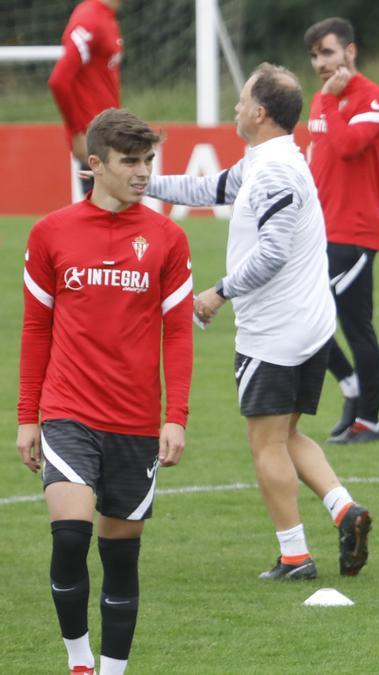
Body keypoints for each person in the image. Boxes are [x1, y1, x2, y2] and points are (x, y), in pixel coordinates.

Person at [147, 63, 372, 580]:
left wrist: (217, 293)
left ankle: (295, 556)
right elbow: (208, 191)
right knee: (287, 433)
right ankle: (344, 510)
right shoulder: (271, 160)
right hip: (308, 325)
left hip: (276, 332)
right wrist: (139, 183)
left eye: (242, 99)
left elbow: (271, 254)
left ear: (261, 112)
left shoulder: (273, 171)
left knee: (265, 442)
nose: (235, 107)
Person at [18, 108, 192, 675]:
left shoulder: (168, 238)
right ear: (95, 165)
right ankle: (79, 662)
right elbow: (36, 328)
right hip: (68, 412)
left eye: (148, 161)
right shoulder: (51, 233)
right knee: (69, 537)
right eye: (130, 162)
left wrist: (176, 415)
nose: (143, 173)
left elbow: (178, 333)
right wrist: (28, 416)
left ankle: (113, 672)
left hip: (136, 423)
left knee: (120, 556)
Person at [304, 17, 379, 444]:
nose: (321, 62)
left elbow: (348, 146)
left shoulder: (373, 99)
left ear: (350, 52)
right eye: (316, 55)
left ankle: (369, 420)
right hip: (319, 232)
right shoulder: (325, 100)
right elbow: (319, 157)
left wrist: (327, 103)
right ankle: (351, 388)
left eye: (328, 52)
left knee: (356, 328)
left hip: (353, 234)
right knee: (306, 321)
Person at [48, 0, 123, 196]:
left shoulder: (106, 16)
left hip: (111, 137)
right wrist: (77, 134)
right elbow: (59, 80)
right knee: (107, 219)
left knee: (118, 220)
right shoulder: (89, 19)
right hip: (96, 142)